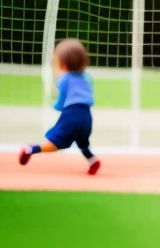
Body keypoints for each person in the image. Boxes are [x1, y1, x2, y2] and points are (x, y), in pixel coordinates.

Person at [19, 38, 101, 175]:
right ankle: (92, 159)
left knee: (56, 141)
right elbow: (88, 97)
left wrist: (56, 105)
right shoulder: (87, 77)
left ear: (62, 64)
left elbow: (61, 101)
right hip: (86, 116)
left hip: (71, 115)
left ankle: (31, 149)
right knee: (82, 140)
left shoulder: (63, 80)